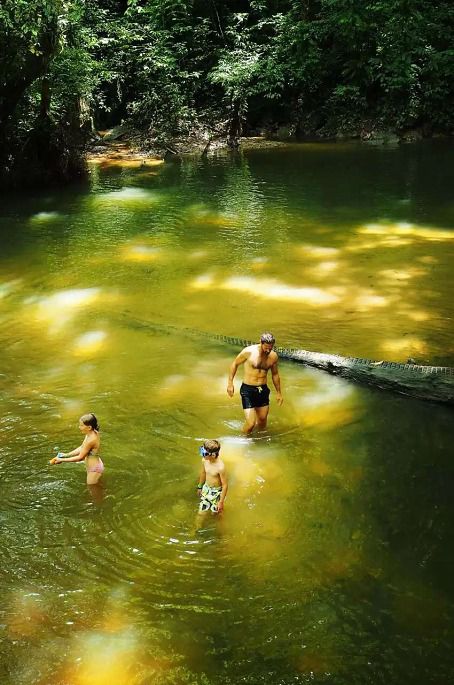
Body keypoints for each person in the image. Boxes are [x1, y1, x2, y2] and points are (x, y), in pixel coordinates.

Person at [227, 332, 283, 434]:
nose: (268, 350)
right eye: (266, 348)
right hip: (248, 390)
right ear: (261, 342)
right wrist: (230, 383)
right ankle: (243, 439)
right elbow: (235, 364)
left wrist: (279, 393)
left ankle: (257, 440)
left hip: (262, 389)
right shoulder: (248, 352)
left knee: (262, 422)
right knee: (251, 423)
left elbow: (275, 374)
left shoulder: (273, 356)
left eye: (270, 348)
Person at [50, 413, 104, 485]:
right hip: (94, 465)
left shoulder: (91, 440)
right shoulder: (90, 433)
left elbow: (80, 458)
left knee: (92, 489)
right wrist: (66, 455)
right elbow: (82, 447)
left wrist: (61, 460)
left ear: (89, 427)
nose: (79, 427)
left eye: (81, 425)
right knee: (97, 486)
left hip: (94, 469)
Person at [196, 439, 228, 514]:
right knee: (200, 514)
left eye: (204, 453)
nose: (202, 455)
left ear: (213, 455)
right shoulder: (204, 460)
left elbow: (225, 485)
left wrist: (221, 502)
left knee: (217, 514)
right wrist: (200, 486)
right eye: (201, 450)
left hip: (217, 493)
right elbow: (203, 473)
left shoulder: (220, 467)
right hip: (206, 489)